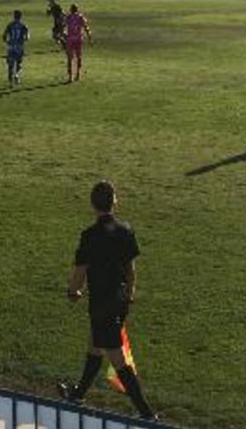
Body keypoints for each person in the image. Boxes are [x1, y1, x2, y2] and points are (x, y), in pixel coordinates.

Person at [58, 180, 156, 421]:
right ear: (115, 202)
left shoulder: (89, 236)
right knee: (95, 344)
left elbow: (80, 271)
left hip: (102, 304)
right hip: (119, 302)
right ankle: (78, 394)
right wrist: (130, 292)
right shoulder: (126, 231)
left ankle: (147, 415)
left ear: (93, 204)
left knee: (118, 360)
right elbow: (131, 270)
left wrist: (73, 292)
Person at [64, 4, 92, 83]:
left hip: (70, 39)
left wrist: (64, 35)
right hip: (78, 39)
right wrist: (89, 36)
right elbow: (86, 27)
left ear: (71, 10)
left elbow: (63, 26)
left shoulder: (68, 17)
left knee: (70, 58)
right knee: (79, 57)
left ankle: (70, 77)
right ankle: (78, 74)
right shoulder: (80, 17)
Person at [3, 10, 30, 86]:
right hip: (19, 47)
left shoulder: (10, 25)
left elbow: (4, 36)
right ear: (21, 17)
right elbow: (27, 37)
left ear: (14, 16)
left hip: (11, 47)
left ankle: (10, 80)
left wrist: (8, 42)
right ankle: (17, 75)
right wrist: (23, 40)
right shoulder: (24, 26)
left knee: (10, 64)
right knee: (19, 63)